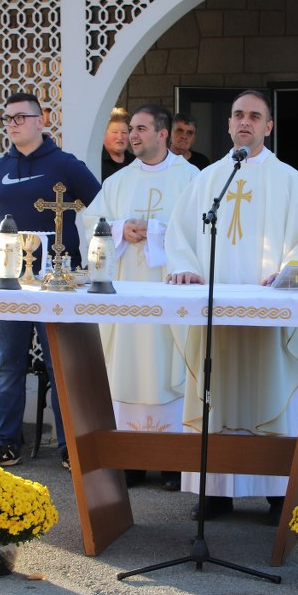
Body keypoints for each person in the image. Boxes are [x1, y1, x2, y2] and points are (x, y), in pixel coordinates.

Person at [165, 90, 298, 525]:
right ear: (228, 124)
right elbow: (180, 235)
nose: (244, 122)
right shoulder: (209, 180)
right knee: (217, 396)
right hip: (215, 312)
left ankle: (277, 492)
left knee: (268, 390)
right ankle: (215, 491)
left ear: (268, 127)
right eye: (238, 115)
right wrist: (184, 267)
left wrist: (287, 273)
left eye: (255, 116)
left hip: (268, 314)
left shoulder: (289, 181)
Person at [0, 91, 101, 468]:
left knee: (61, 368)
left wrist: (93, 264)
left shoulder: (66, 165)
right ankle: (6, 443)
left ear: (41, 121)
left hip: (59, 284)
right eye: (7, 118)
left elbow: (101, 207)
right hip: (11, 285)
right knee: (9, 366)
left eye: (20, 117)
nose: (12, 124)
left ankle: (69, 446)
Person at [79, 104, 198, 491]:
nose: (132, 135)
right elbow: (90, 222)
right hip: (127, 298)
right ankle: (129, 459)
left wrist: (157, 231)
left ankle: (174, 462)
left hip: (171, 298)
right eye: (131, 128)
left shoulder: (191, 179)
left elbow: (200, 231)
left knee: (171, 368)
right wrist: (119, 228)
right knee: (127, 369)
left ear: (163, 134)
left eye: (141, 128)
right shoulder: (118, 181)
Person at [100, 107, 135, 181]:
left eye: (124, 132)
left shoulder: (135, 162)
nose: (120, 137)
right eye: (115, 132)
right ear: (103, 134)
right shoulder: (96, 162)